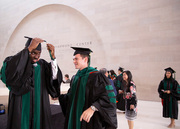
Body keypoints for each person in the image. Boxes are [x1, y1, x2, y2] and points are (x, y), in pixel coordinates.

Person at [0, 36, 62, 129]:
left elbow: (53, 78)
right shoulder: (13, 62)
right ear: (26, 49)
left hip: (39, 107)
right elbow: (8, 76)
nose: (36, 56)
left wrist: (53, 57)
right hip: (21, 108)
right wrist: (29, 48)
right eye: (33, 52)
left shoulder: (42, 65)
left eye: (39, 53)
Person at [59, 47, 117, 129]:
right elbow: (72, 97)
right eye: (73, 59)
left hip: (89, 121)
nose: (74, 61)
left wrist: (93, 107)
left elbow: (109, 97)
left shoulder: (97, 76)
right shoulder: (75, 77)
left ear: (85, 59)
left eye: (76, 59)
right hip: (74, 118)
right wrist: (60, 96)